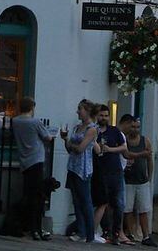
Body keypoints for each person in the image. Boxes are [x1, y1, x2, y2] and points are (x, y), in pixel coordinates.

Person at [11, 96, 53, 241]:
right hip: (36, 160)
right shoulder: (35, 122)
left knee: (28, 194)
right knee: (38, 196)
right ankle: (36, 228)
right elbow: (48, 138)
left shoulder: (15, 121)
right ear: (32, 108)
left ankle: (27, 225)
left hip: (24, 161)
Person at [92, 105, 131, 246]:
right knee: (103, 203)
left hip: (116, 171)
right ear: (97, 116)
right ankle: (105, 231)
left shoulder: (115, 131)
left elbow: (124, 148)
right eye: (101, 115)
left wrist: (110, 149)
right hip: (100, 172)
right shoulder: (94, 131)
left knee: (119, 204)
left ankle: (116, 233)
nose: (104, 118)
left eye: (106, 115)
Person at [62, 99, 99, 243]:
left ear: (87, 111)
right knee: (76, 201)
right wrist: (66, 141)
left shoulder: (92, 129)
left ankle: (89, 234)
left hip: (83, 169)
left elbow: (80, 149)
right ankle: (81, 231)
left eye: (80, 109)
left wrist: (71, 145)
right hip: (72, 167)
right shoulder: (77, 128)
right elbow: (71, 150)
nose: (77, 111)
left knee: (85, 201)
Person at [122, 115, 157, 248]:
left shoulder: (145, 141)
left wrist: (150, 176)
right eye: (133, 126)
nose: (135, 129)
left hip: (142, 180)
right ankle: (130, 233)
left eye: (137, 127)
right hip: (128, 180)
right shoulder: (124, 140)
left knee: (143, 209)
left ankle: (145, 235)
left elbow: (150, 159)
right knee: (128, 209)